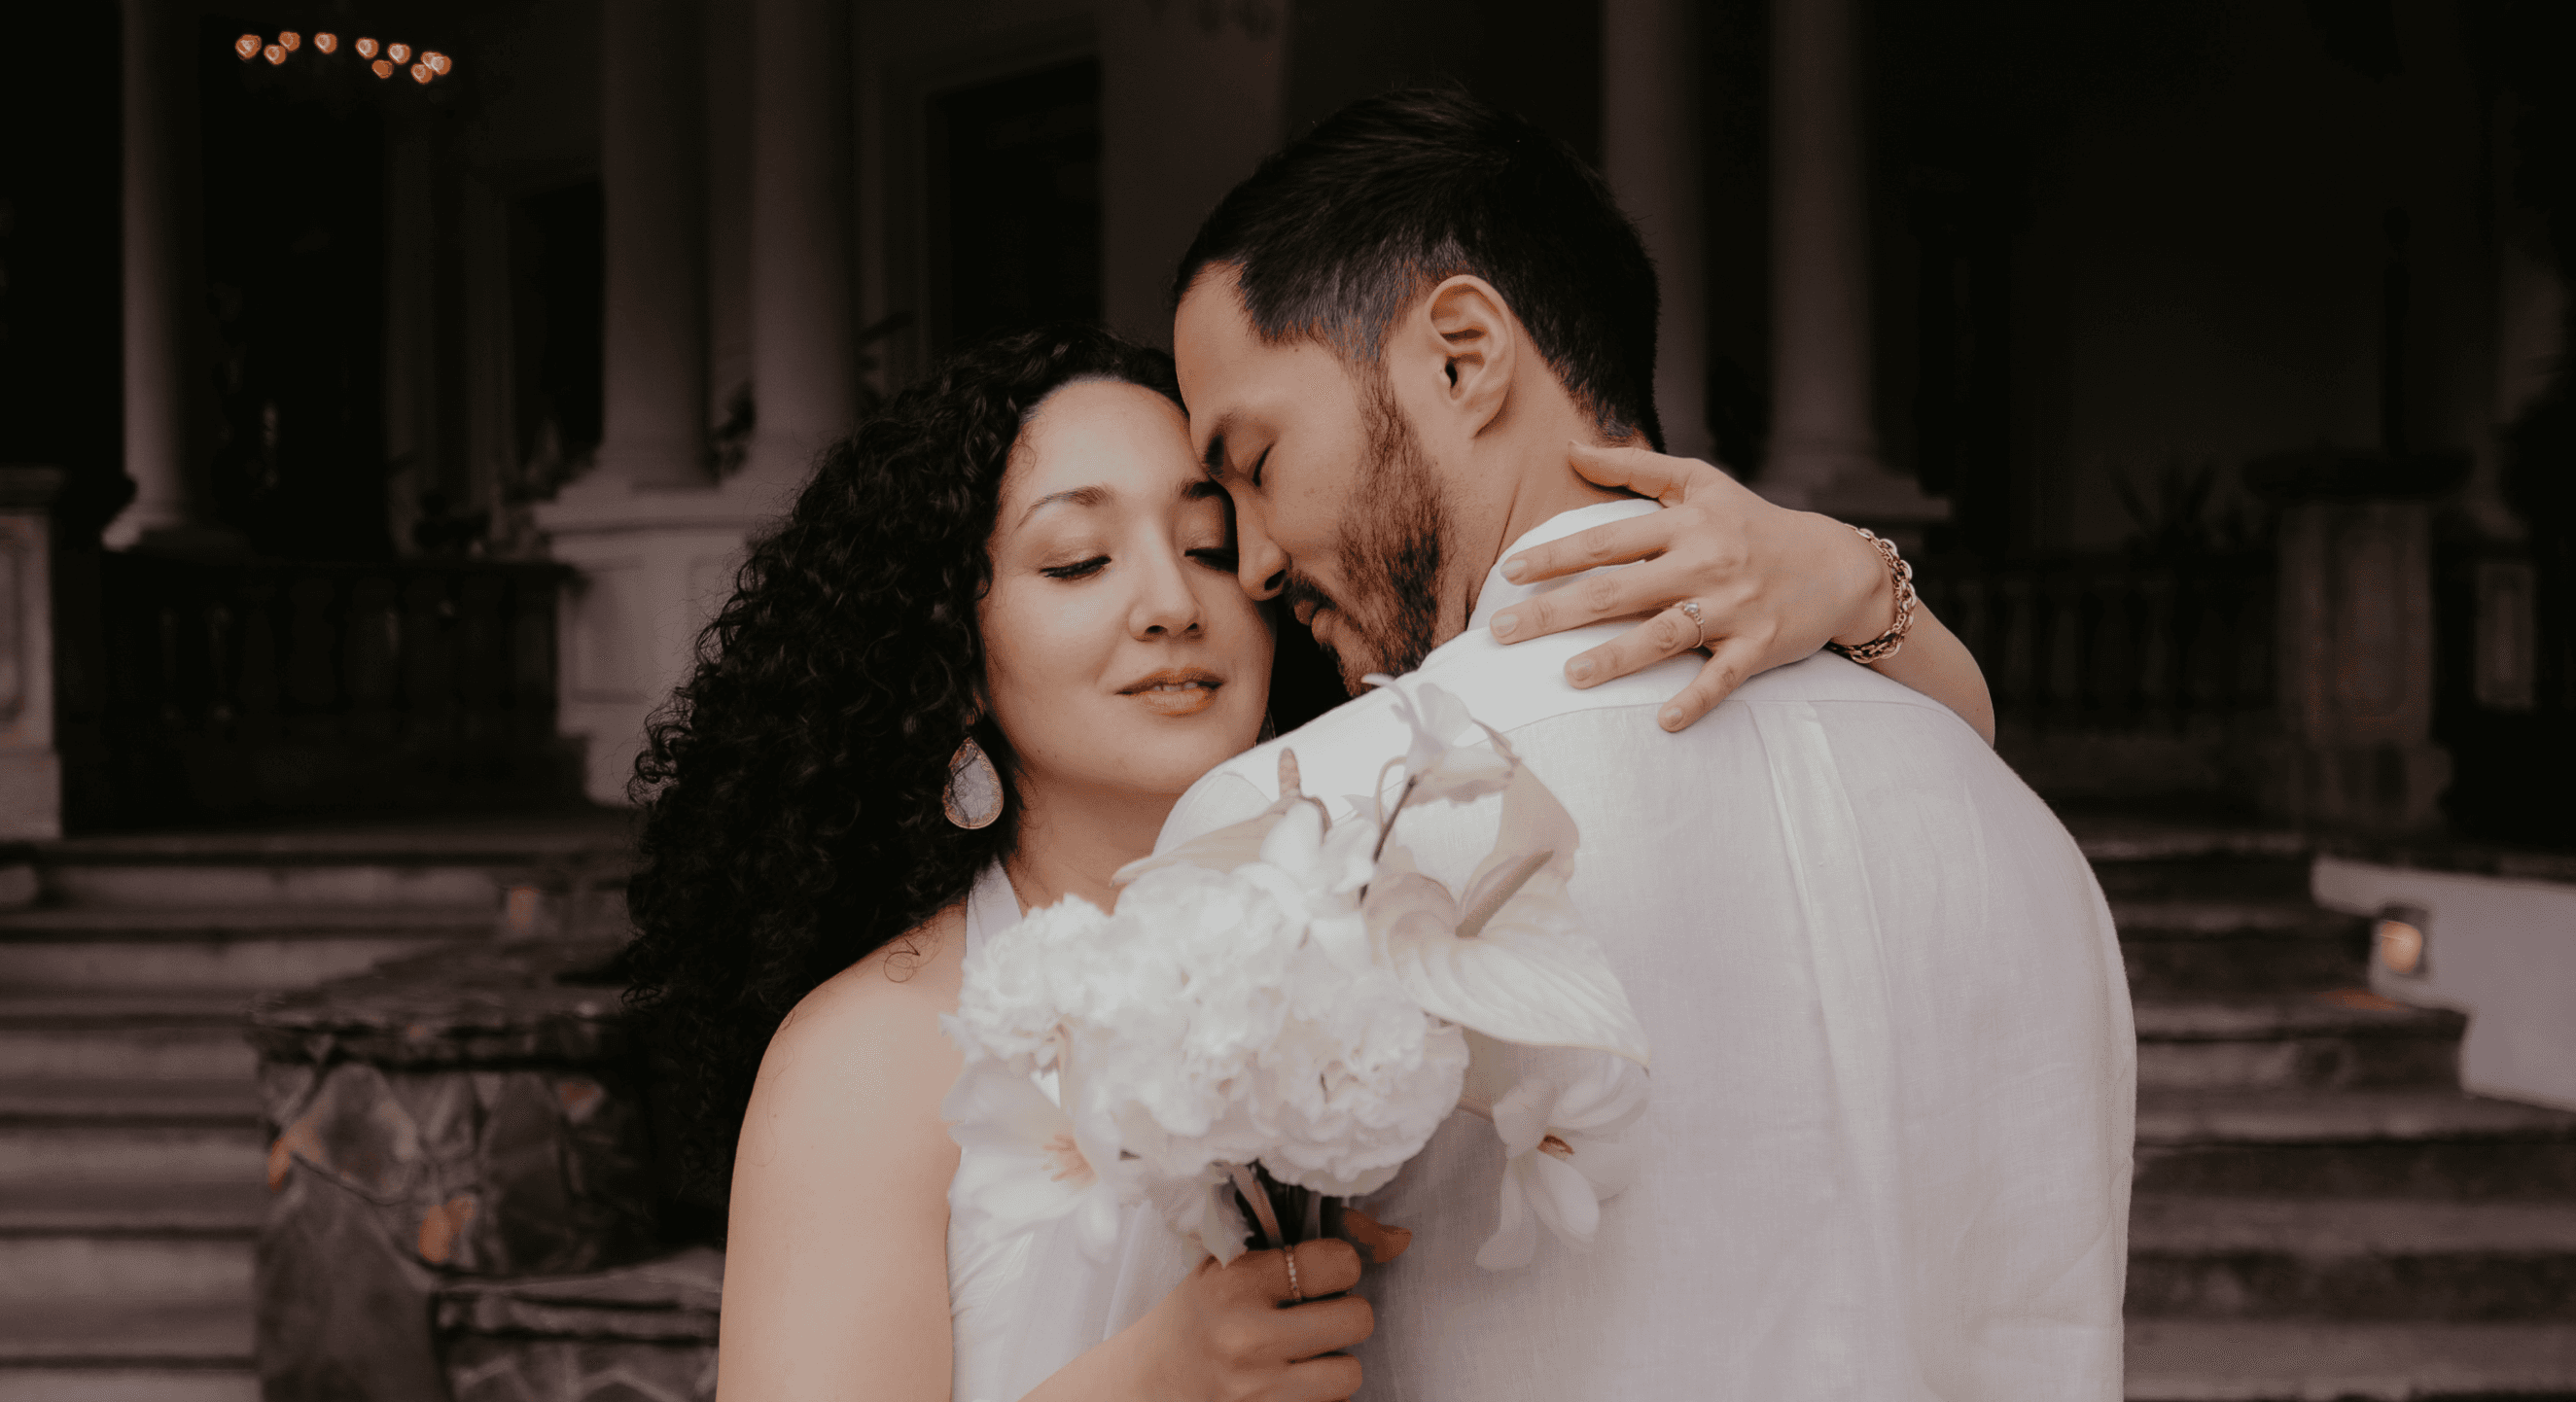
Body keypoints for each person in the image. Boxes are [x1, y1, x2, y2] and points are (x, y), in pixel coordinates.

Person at [624, 321, 1994, 1399]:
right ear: (953, 651)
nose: (1172, 603)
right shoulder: (873, 1051)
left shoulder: (1384, 912)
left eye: (1213, 543)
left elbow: (1951, 767)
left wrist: (1851, 578)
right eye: (1079, 560)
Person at [1129, 88, 2135, 1398]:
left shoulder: (1300, 830)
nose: (1254, 561)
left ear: (1463, 353)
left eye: (1254, 458)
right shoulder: (2021, 836)